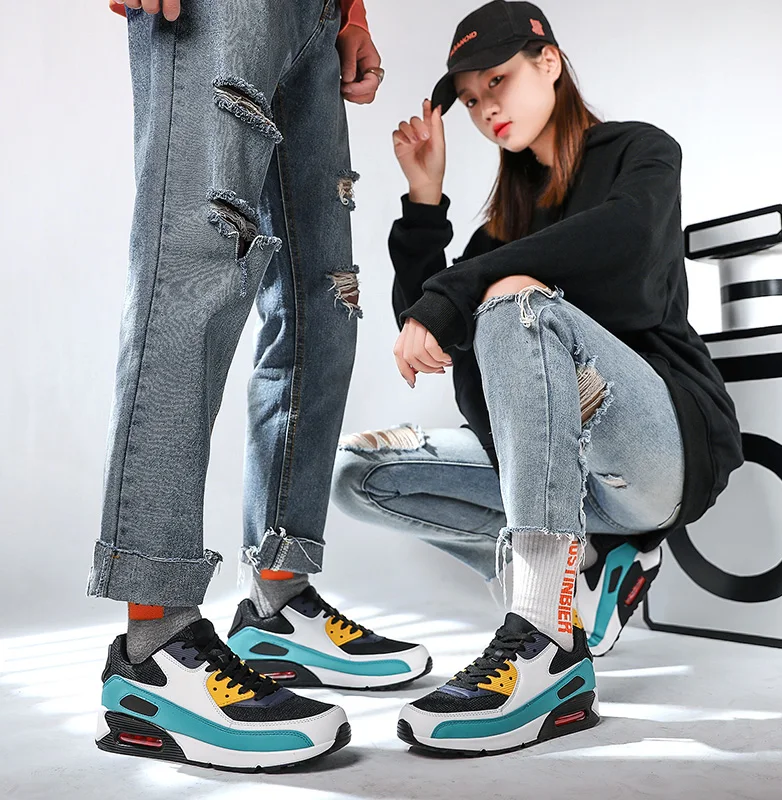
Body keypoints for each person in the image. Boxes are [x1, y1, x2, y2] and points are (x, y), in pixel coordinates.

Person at [332, 0, 743, 755]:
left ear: (548, 62)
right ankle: (582, 571)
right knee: (357, 474)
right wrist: (424, 199)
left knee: (514, 299)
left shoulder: (642, 154)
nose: (486, 108)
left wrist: (469, 293)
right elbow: (434, 333)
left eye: (498, 80)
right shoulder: (505, 227)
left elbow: (628, 261)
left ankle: (546, 638)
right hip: (558, 476)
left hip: (655, 453)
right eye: (471, 97)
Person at [92, 0, 430, 772]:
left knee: (323, 306)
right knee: (192, 275)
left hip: (317, 19)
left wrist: (350, 13)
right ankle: (155, 652)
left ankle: (278, 608)